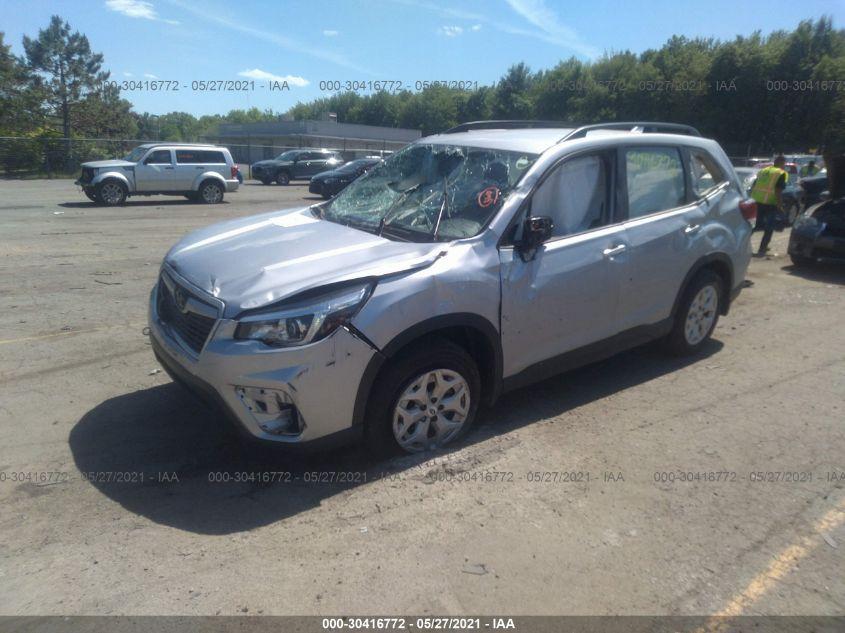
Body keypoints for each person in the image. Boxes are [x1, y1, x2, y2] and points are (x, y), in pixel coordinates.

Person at [750, 155, 788, 256]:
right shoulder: (780, 173)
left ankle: (741, 245)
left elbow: (754, 184)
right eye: (784, 163)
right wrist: (780, 205)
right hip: (770, 203)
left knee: (754, 225)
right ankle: (762, 249)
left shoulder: (764, 170)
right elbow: (778, 190)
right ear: (781, 163)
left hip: (757, 201)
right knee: (769, 227)